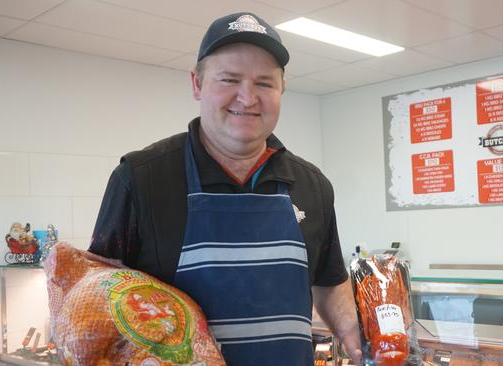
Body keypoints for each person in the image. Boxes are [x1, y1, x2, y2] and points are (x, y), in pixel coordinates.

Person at [89, 11, 362, 365]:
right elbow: (94, 301)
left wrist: (358, 338)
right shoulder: (140, 179)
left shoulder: (313, 186)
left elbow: (329, 282)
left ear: (282, 89)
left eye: (264, 83)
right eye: (230, 79)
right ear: (197, 84)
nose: (247, 98)